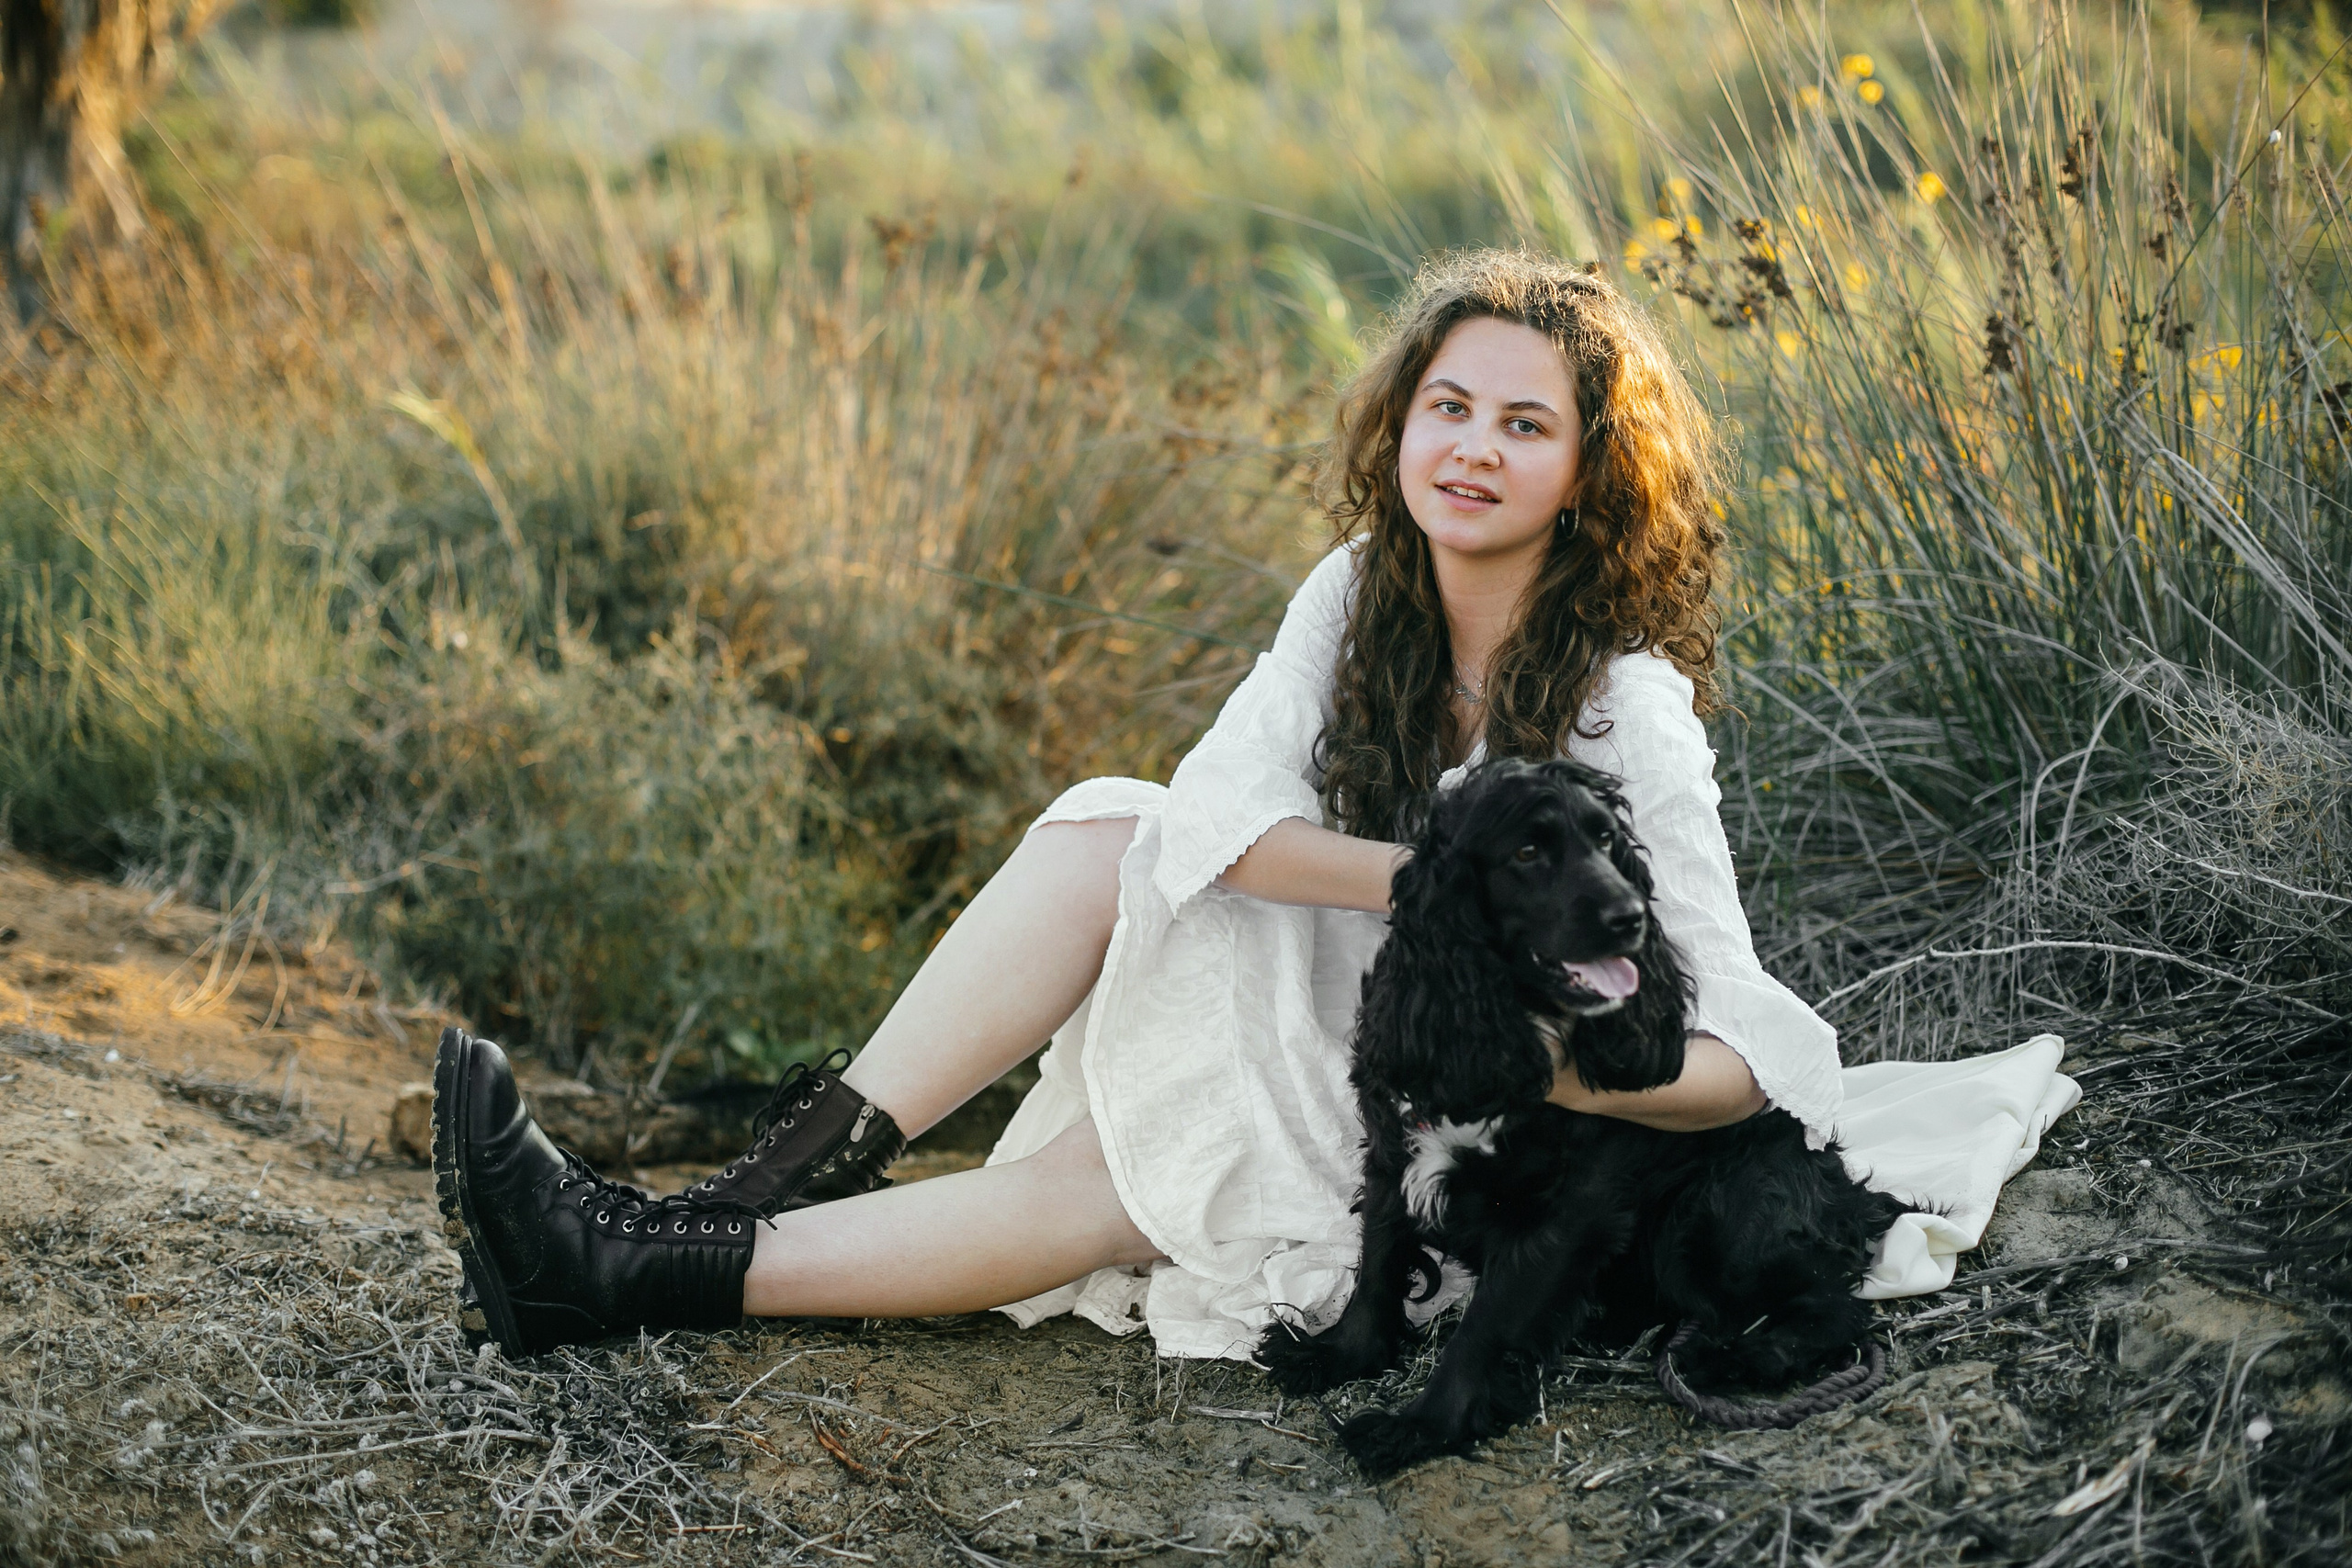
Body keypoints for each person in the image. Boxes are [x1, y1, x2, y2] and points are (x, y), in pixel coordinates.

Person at [433, 249, 2071, 1364]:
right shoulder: (1362, 590)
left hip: (1471, 1090)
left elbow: (1743, 1062)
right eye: (1449, 408)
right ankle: (727, 1204)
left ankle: (631, 1270)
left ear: (1590, 474)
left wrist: (1506, 1058)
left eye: (1525, 425)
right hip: (1358, 979)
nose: (1474, 451)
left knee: (1130, 1178)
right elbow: (1213, 819)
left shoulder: (1621, 706)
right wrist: (1426, 891)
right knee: (1105, 820)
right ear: (1402, 423)